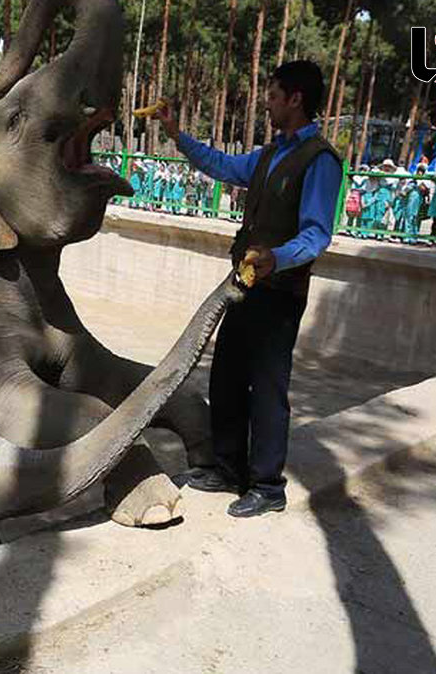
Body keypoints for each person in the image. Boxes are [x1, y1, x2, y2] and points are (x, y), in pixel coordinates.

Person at [149, 60, 343, 517]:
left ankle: (268, 485)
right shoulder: (269, 154)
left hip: (280, 292)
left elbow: (317, 234)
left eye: (273, 96)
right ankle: (228, 467)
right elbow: (222, 165)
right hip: (246, 284)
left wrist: (280, 257)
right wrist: (177, 134)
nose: (268, 104)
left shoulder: (320, 160)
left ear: (295, 98)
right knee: (228, 375)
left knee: (268, 387)